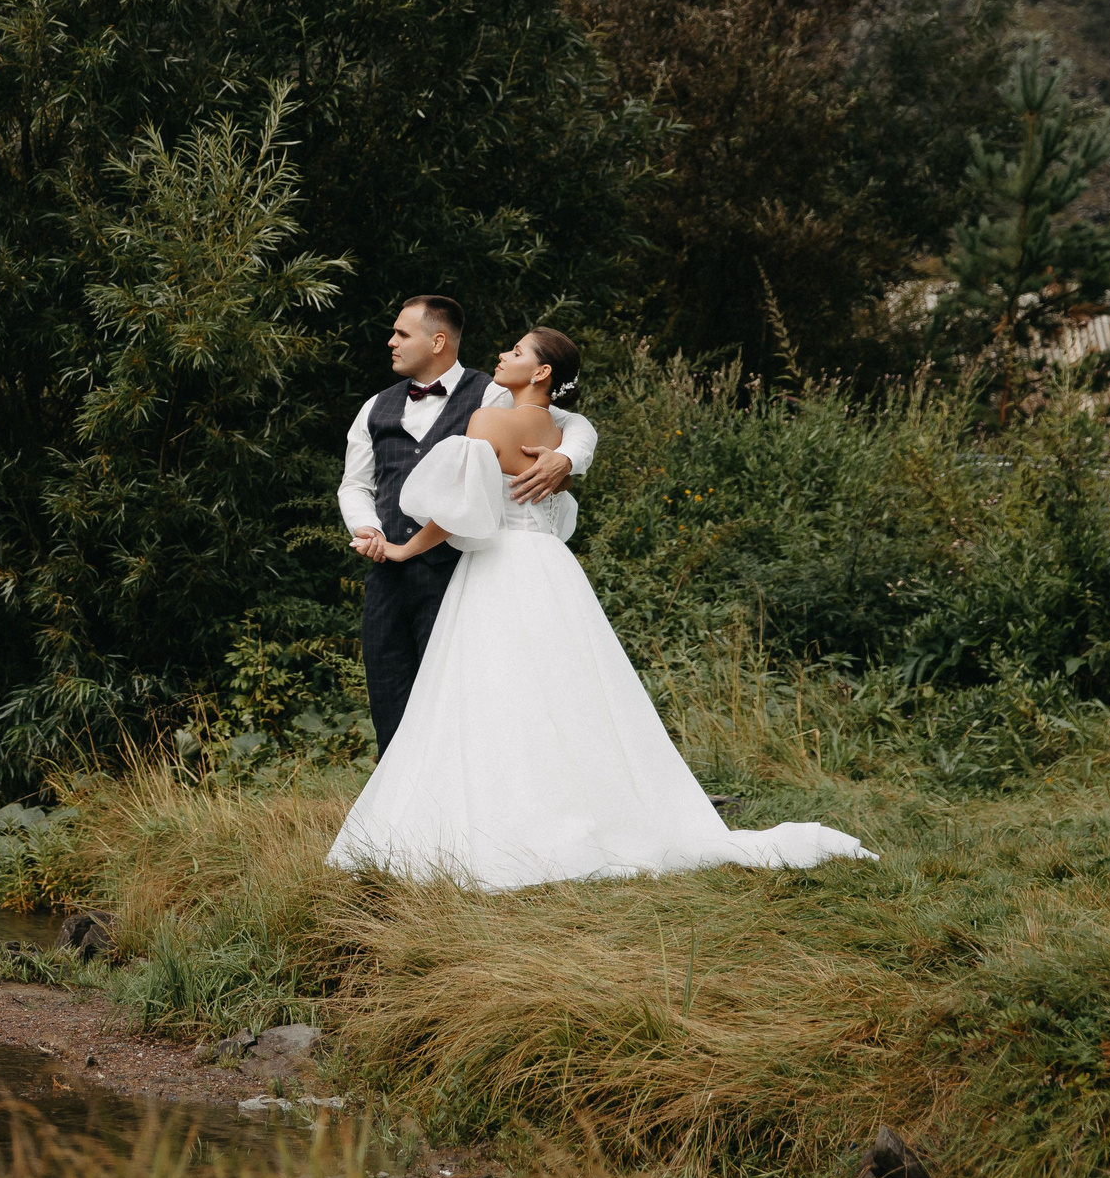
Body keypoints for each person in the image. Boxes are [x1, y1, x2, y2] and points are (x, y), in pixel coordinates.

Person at [326, 326, 875, 890]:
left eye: (516, 352)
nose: (502, 355)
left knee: (491, 690)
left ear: (541, 373)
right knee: (568, 692)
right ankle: (583, 806)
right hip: (551, 570)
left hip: (497, 568)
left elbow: (462, 510)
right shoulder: (547, 427)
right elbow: (569, 432)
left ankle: (503, 820)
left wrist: (403, 545)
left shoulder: (490, 420)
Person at [338, 295, 596, 756]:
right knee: (388, 690)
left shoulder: (491, 396)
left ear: (437, 340)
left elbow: (568, 419)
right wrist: (368, 530)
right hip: (389, 576)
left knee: (462, 700)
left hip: (461, 571)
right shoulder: (374, 407)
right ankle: (399, 815)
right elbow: (355, 485)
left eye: (402, 333)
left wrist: (568, 458)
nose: (391, 341)